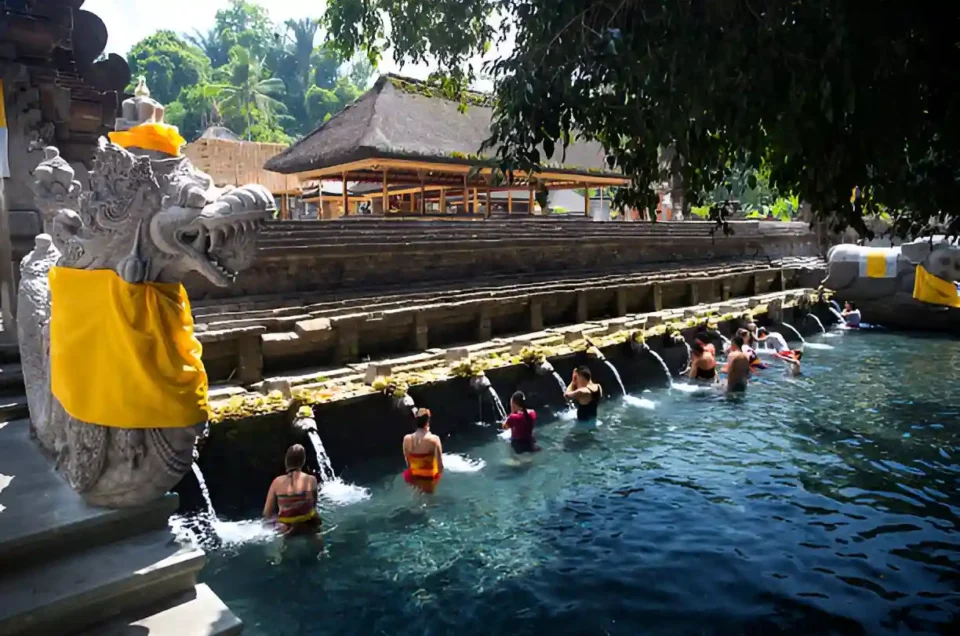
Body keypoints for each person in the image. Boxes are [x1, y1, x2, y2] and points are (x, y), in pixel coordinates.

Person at [263, 444, 321, 536]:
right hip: (307, 524)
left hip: (286, 526)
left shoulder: (277, 482)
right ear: (303, 461)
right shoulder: (311, 479)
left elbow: (267, 513)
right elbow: (313, 505)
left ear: (286, 461)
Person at [402, 408, 444, 493]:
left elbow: (408, 461)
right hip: (429, 478)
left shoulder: (406, 439)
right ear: (428, 421)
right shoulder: (434, 440)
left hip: (414, 477)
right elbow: (440, 466)